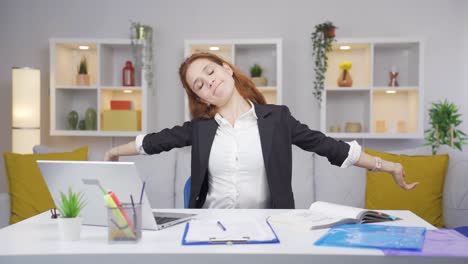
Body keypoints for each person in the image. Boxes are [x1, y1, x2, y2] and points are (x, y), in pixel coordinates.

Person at [104, 52, 418, 209]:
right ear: (199, 96)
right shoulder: (200, 128)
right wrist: (114, 151)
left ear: (226, 68)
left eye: (210, 71)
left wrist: (388, 165)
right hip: (208, 231)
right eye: (198, 84)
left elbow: (330, 148)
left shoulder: (277, 120)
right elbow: (156, 142)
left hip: (269, 229)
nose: (208, 81)